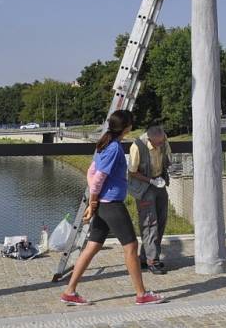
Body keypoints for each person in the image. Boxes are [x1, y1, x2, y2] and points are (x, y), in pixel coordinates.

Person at [60, 110, 164, 307]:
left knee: (92, 246)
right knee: (131, 247)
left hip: (104, 205)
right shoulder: (114, 147)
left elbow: (91, 172)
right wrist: (92, 203)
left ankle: (69, 291)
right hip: (111, 205)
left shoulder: (104, 143)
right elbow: (97, 178)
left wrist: (95, 203)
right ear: (127, 127)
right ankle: (142, 295)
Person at [128, 126, 171, 274]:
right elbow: (132, 172)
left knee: (161, 219)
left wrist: (162, 176)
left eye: (162, 142)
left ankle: (146, 257)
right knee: (149, 222)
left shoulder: (163, 141)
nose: (160, 145)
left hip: (159, 183)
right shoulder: (137, 146)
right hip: (144, 186)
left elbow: (167, 159)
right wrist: (150, 181)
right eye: (157, 143)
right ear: (150, 138)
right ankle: (153, 260)